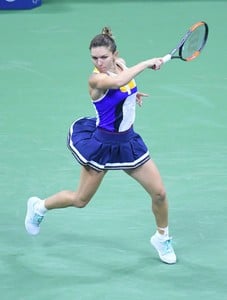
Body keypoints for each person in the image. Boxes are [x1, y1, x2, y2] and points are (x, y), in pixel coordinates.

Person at [25, 27, 176, 264]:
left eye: (104, 57)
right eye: (94, 58)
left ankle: (162, 237)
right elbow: (118, 82)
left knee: (159, 193)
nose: (99, 62)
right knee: (80, 200)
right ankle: (39, 207)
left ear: (115, 54)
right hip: (103, 145)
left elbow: (125, 84)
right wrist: (148, 62)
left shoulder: (122, 65)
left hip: (128, 143)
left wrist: (133, 95)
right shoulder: (96, 78)